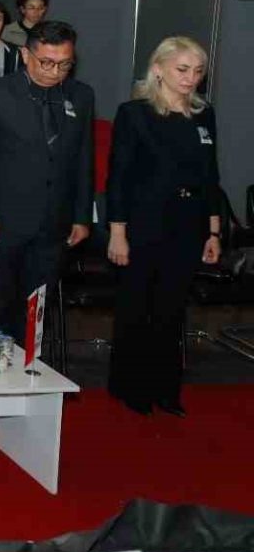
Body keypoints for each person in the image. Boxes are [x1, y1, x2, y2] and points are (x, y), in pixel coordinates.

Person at [105, 36, 221, 417]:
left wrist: (214, 231)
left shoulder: (204, 114)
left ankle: (166, 389)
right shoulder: (134, 113)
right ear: (158, 69)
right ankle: (131, 387)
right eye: (182, 69)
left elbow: (211, 175)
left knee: (172, 309)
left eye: (198, 71)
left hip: (189, 223)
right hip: (143, 222)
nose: (191, 78)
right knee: (137, 305)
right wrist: (117, 232)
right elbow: (119, 177)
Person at [0, 20, 94, 342]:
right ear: (26, 55)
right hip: (2, 222)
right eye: (47, 62)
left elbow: (84, 159)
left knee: (38, 308)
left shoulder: (81, 96)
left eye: (64, 64)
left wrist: (81, 216)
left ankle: (30, 366)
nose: (55, 71)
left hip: (55, 222)